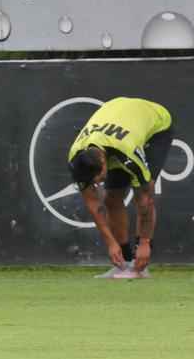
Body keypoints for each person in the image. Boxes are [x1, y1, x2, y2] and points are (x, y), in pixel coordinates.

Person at [68, 97, 173, 279]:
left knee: (141, 195)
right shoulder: (76, 155)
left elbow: (146, 200)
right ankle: (124, 264)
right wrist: (111, 243)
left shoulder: (128, 153)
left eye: (98, 179)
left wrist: (145, 243)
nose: (97, 185)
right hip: (116, 113)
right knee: (111, 198)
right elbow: (94, 204)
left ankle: (140, 268)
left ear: (103, 162)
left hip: (156, 124)